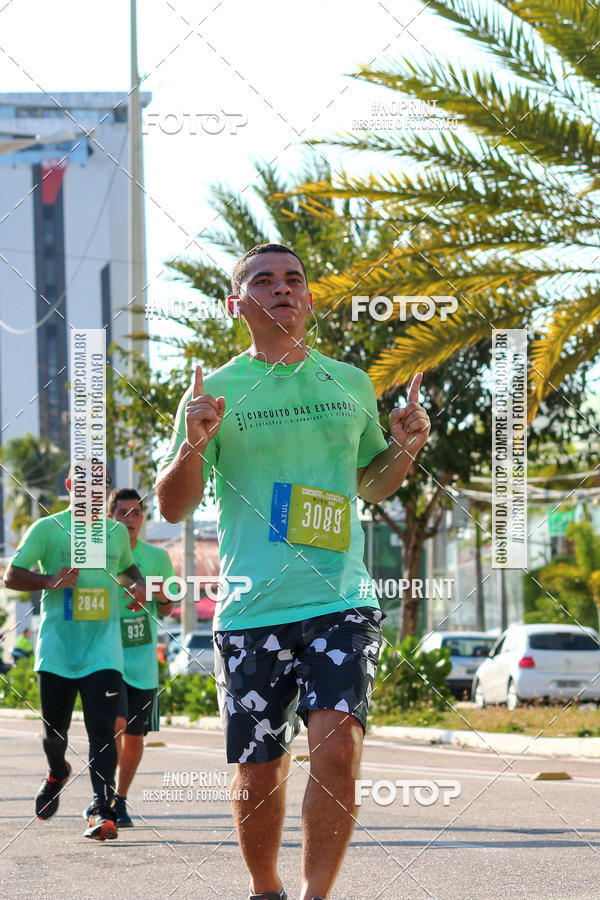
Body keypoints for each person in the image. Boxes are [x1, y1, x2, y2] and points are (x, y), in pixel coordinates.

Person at [156, 243, 431, 900]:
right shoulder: (213, 392)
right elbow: (173, 502)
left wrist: (405, 446)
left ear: (308, 298)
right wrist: (194, 445)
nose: (282, 288)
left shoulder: (349, 382)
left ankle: (316, 896)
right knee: (259, 770)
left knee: (337, 750)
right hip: (253, 608)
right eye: (263, 280)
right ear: (236, 304)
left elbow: (374, 485)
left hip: (342, 599)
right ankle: (265, 889)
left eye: (293, 280)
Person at [3, 466, 147, 841]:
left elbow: (129, 569)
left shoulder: (115, 533)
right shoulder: (47, 529)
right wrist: (49, 581)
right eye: (84, 485)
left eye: (101, 485)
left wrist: (141, 586)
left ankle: (102, 810)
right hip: (57, 650)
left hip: (103, 651)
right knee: (54, 732)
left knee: (102, 730)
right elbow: (11, 575)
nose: (93, 491)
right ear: (70, 486)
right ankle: (57, 772)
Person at [99, 487, 175, 827]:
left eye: (136, 513)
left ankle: (120, 799)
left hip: (143, 661)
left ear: (143, 519)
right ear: (110, 517)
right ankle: (103, 797)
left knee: (134, 736)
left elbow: (171, 605)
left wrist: (151, 589)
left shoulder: (157, 558)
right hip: (106, 658)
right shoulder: (99, 556)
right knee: (112, 727)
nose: (129, 520)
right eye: (122, 513)